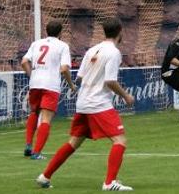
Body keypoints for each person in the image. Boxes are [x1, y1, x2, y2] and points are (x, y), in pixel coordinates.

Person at [36, 19, 135, 191]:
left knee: (73, 142)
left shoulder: (92, 50)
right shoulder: (113, 52)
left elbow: (80, 77)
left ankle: (44, 176)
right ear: (120, 31)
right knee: (120, 140)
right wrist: (125, 95)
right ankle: (109, 182)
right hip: (98, 104)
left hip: (83, 102)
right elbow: (110, 81)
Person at [21, 21, 76, 160]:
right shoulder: (63, 46)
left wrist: (32, 76)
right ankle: (37, 152)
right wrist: (71, 85)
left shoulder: (36, 43)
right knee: (46, 118)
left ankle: (28, 145)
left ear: (46, 31)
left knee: (34, 112)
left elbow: (24, 61)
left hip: (35, 83)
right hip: (50, 85)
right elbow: (64, 68)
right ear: (60, 33)